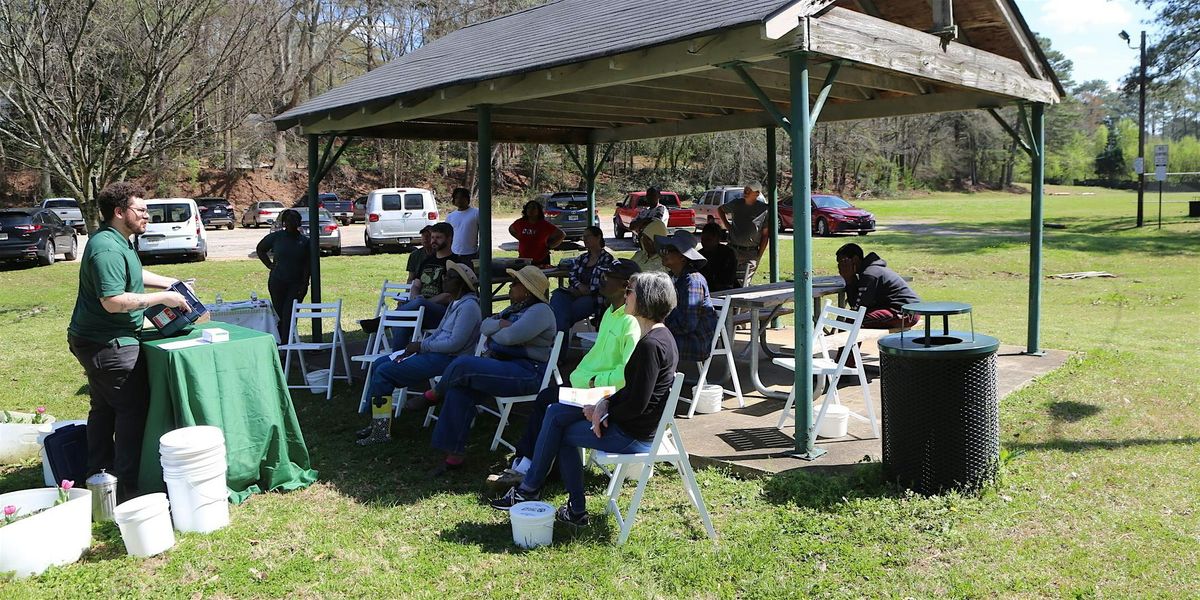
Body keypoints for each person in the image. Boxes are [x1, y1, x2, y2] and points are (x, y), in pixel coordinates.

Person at [490, 271, 679, 527]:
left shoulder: (651, 345)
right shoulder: (658, 337)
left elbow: (638, 404)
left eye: (630, 291)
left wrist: (603, 414)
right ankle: (535, 492)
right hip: (633, 426)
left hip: (634, 436)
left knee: (562, 433)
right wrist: (605, 403)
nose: (625, 296)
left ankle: (556, 501)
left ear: (646, 298)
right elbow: (634, 391)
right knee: (555, 412)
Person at [67, 182, 193, 502]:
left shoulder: (119, 241)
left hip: (100, 340)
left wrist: (170, 282)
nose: (147, 216)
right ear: (120, 213)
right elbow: (112, 300)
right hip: (107, 343)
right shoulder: (107, 247)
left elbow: (133, 274)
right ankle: (128, 486)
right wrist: (162, 297)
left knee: (105, 410)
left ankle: (99, 475)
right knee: (131, 411)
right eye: (141, 210)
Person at [489, 259, 642, 488]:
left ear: (624, 286)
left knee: (551, 407)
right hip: (584, 386)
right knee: (545, 400)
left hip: (602, 395)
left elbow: (629, 372)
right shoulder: (611, 312)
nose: (602, 279)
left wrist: (594, 381)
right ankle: (527, 461)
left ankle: (529, 467)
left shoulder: (631, 322)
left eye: (608, 276)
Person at [424, 266, 557, 476]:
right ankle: (453, 456)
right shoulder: (514, 310)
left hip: (527, 373)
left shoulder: (540, 311)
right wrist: (500, 325)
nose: (511, 286)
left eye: (515, 283)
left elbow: (509, 338)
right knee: (460, 390)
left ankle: (433, 395)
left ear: (528, 290)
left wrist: (499, 328)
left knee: (464, 365)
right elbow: (485, 325)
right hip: (503, 366)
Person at [357, 261, 482, 446]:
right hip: (437, 354)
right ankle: (376, 421)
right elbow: (440, 333)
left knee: (384, 371)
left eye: (450, 277)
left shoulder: (469, 307)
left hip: (450, 360)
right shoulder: (456, 304)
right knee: (379, 363)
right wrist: (419, 346)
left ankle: (380, 430)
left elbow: (455, 344)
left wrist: (422, 346)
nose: (445, 279)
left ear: (462, 284)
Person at [656, 230, 718, 365]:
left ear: (682, 257)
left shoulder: (693, 281)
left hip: (695, 341)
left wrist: (659, 326)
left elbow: (687, 324)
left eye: (669, 250)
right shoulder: (676, 278)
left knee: (648, 343)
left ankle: (657, 384)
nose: (663, 253)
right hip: (681, 335)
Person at [393, 222, 459, 347]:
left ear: (449, 239)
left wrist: (424, 302)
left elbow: (449, 295)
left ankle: (385, 319)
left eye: (438, 237)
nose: (434, 241)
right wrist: (415, 298)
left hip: (442, 312)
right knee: (401, 322)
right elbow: (416, 285)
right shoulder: (427, 261)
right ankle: (398, 358)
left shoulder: (455, 263)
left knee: (417, 304)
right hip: (419, 310)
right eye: (432, 237)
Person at [548, 226, 617, 333]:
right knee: (557, 296)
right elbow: (572, 275)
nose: (584, 239)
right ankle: (560, 337)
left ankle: (559, 342)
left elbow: (605, 282)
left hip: (593, 297)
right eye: (583, 237)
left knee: (564, 316)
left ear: (598, 237)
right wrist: (579, 286)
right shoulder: (582, 258)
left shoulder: (607, 259)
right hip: (574, 292)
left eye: (587, 236)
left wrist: (586, 291)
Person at [836, 243, 920, 329]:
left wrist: (849, 279)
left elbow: (858, 307)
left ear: (855, 259)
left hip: (906, 313)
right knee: (853, 319)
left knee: (853, 320)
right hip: (896, 309)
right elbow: (857, 306)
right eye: (838, 263)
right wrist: (850, 280)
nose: (840, 266)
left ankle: (846, 343)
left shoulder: (870, 274)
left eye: (843, 261)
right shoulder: (868, 271)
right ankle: (849, 342)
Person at [255, 209, 310, 342]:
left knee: (289, 315)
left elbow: (308, 265)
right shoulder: (277, 237)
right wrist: (269, 265)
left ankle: (287, 346)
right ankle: (280, 343)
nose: (291, 224)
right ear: (284, 223)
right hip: (277, 281)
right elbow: (260, 249)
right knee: (279, 315)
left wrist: (304, 283)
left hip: (296, 284)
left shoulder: (304, 241)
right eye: (288, 221)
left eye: (294, 221)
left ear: (299, 223)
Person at [718, 182, 770, 286]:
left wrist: (759, 255)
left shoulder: (764, 209)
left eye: (749, 190)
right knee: (726, 282)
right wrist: (728, 226)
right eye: (746, 189)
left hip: (750, 254)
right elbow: (720, 209)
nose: (746, 192)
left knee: (743, 285)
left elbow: (765, 235)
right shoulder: (736, 204)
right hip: (732, 250)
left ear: (757, 193)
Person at [509, 200, 564, 267]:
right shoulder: (520, 222)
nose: (530, 210)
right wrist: (519, 237)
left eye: (534, 208)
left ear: (539, 211)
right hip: (524, 260)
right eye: (528, 208)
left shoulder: (544, 225)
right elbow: (511, 229)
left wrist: (551, 245)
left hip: (541, 260)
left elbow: (561, 234)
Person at [698, 222, 739, 292]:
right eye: (702, 239)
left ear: (717, 239)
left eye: (708, 240)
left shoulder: (727, 253)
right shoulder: (699, 255)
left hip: (725, 290)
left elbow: (727, 279)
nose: (704, 242)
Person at [444, 187, 479, 260]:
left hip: (471, 253)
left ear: (467, 199)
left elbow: (483, 233)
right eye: (457, 198)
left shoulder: (476, 213)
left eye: (462, 197)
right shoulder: (450, 216)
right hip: (453, 253)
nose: (459, 200)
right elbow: (447, 236)